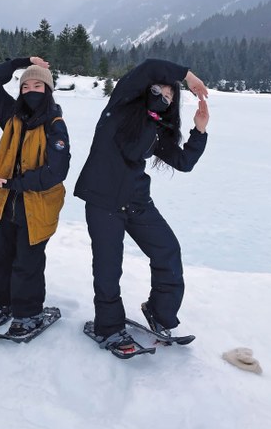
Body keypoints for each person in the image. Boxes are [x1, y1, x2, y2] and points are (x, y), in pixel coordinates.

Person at [74, 58, 209, 356]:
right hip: (103, 201)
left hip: (136, 203)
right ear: (146, 89)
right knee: (109, 268)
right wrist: (187, 75)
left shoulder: (157, 128)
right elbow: (149, 67)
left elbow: (184, 162)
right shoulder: (120, 105)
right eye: (160, 91)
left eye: (170, 97)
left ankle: (160, 314)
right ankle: (107, 327)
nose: (164, 97)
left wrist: (199, 131)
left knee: (167, 250)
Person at [0, 56, 70, 337]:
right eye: (25, 86)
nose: (30, 91)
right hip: (5, 202)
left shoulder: (55, 125)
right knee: (1, 257)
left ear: (48, 90)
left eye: (37, 85)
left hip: (36, 205)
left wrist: (17, 183)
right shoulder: (11, 116)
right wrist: (22, 61)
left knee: (27, 263)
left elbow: (57, 171)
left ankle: (29, 313)